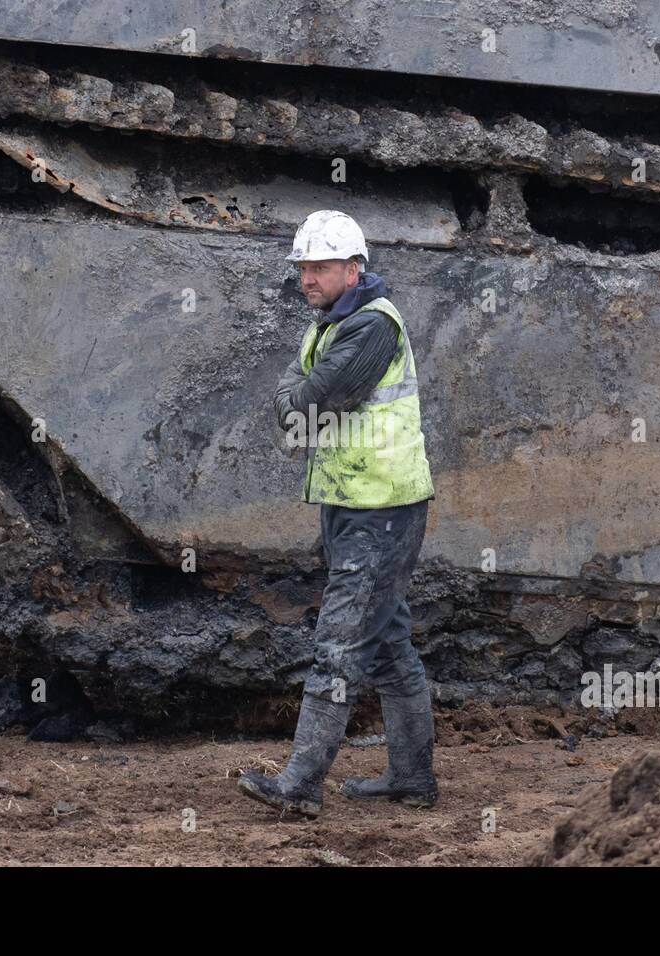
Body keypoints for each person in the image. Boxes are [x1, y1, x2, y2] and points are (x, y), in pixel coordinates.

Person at [237, 210, 437, 817]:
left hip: (379, 508)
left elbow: (314, 399)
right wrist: (298, 395)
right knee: (388, 645)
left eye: (320, 267)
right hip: (354, 502)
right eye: (303, 268)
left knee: (340, 646)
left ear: (355, 269)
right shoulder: (333, 324)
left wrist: (297, 395)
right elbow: (300, 399)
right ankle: (412, 778)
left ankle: (299, 786)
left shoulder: (371, 328)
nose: (307, 278)